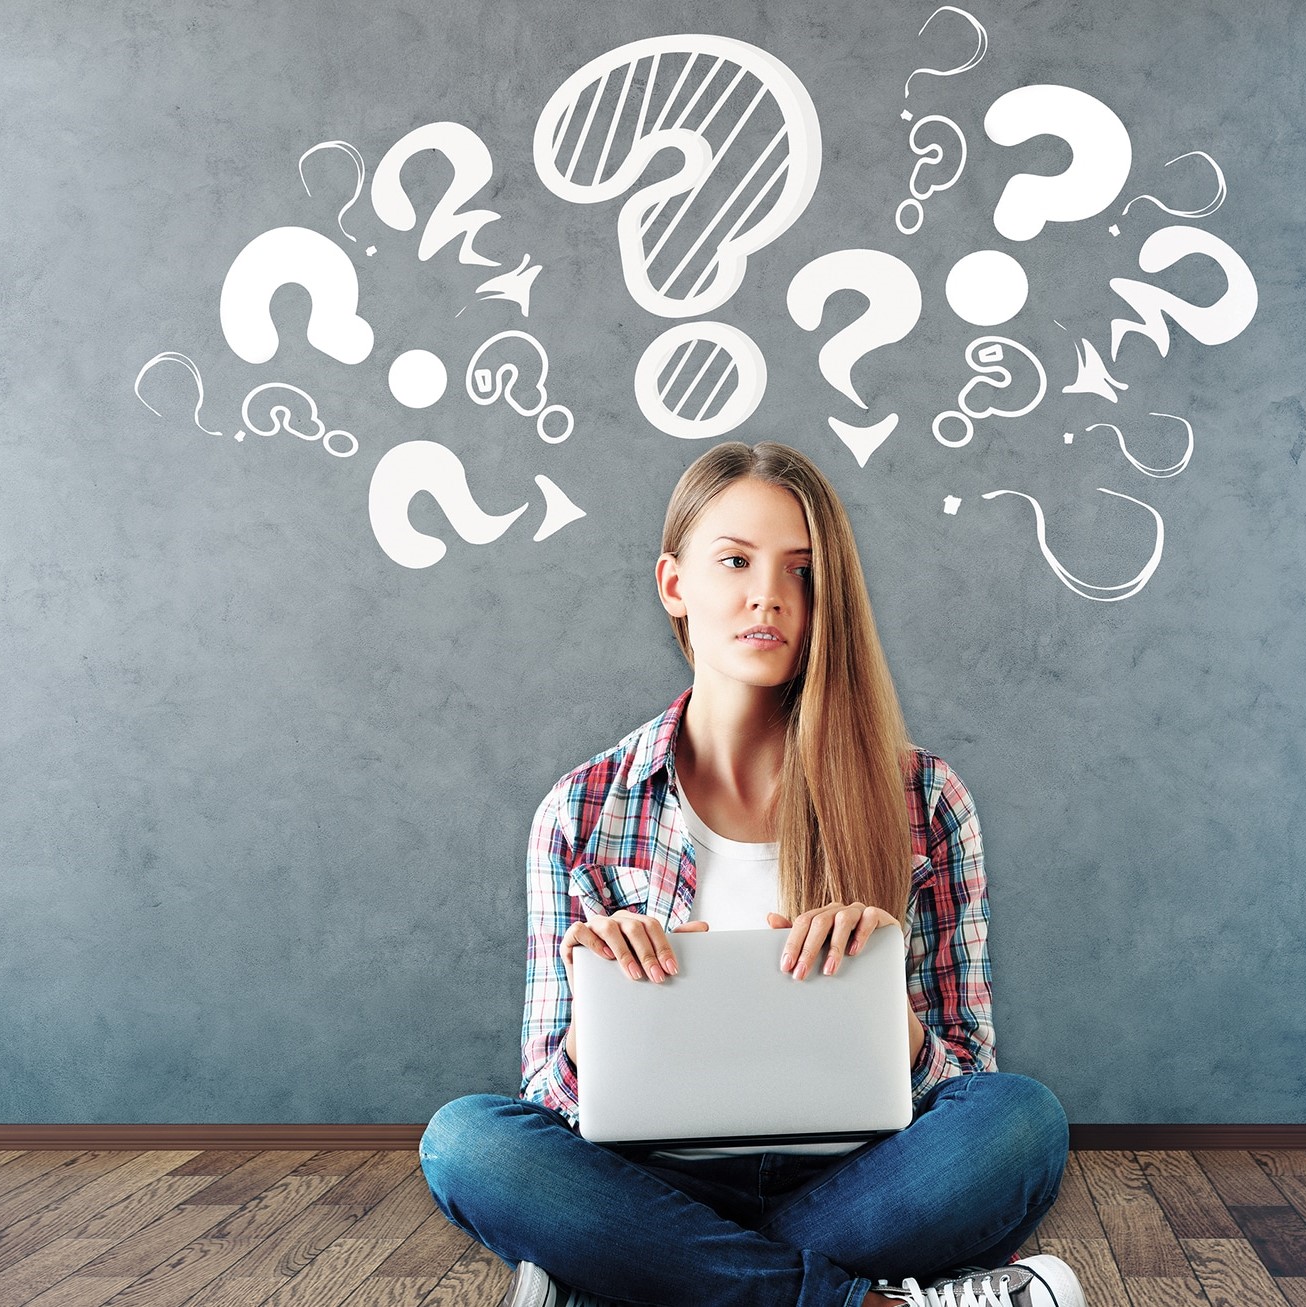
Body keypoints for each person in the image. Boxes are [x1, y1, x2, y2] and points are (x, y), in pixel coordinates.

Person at [420, 441, 1085, 1307]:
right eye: (734, 559)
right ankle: (865, 1302)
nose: (768, 592)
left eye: (802, 573)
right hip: (655, 1186)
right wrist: (598, 1018)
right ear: (675, 585)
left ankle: (631, 1286)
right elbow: (543, 1105)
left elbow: (972, 1084)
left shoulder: (925, 796)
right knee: (465, 1142)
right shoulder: (580, 810)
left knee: (1023, 1123)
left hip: (861, 1182)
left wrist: (895, 1019)